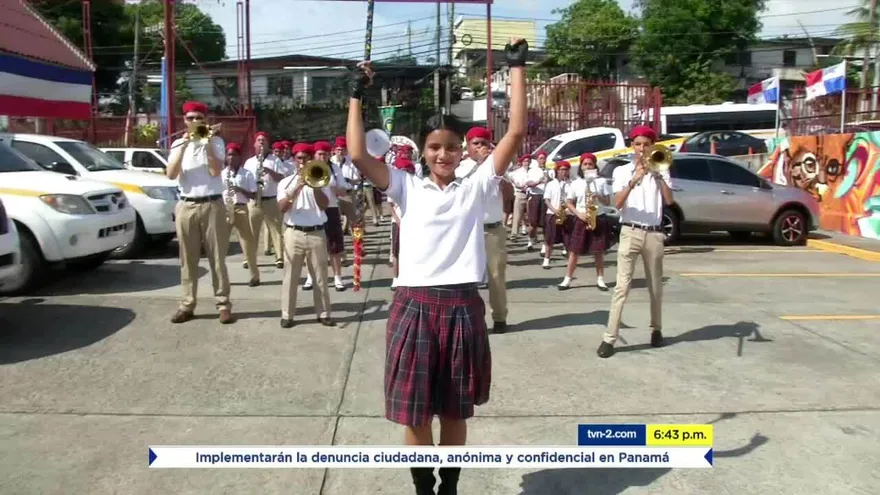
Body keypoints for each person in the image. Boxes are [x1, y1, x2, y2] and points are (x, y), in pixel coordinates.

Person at [346, 38, 528, 495]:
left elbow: (515, 133)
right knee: (414, 413)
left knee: (454, 411)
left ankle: (449, 486)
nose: (443, 155)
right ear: (423, 151)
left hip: (463, 307)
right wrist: (355, 95)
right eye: (434, 147)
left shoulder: (476, 186)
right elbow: (358, 155)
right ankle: (423, 487)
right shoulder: (404, 186)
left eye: (451, 147)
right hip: (413, 306)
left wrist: (517, 68)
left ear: (462, 150)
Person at [598, 126, 675, 358]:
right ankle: (609, 338)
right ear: (632, 146)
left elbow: (669, 200)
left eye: (646, 144)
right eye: (638, 144)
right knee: (622, 287)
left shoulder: (662, 167)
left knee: (655, 286)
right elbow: (618, 203)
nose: (642, 149)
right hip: (630, 231)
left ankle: (656, 329)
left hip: (654, 233)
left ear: (652, 146)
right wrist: (635, 178)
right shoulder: (622, 171)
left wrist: (657, 174)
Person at [165, 100, 233, 324]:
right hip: (187, 205)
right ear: (184, 121)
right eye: (190, 118)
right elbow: (171, 174)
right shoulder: (177, 143)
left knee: (217, 257)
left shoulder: (216, 141)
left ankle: (223, 303)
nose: (194, 121)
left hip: (212, 204)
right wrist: (184, 145)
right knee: (188, 258)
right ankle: (187, 304)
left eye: (199, 118)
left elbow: (215, 171)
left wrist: (207, 143)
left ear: (206, 120)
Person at [455, 126, 509, 334]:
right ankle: (471, 319)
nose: (480, 147)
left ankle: (500, 317)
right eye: (475, 143)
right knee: (467, 278)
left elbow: (510, 191)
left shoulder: (497, 163)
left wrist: (494, 168)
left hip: (493, 230)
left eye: (484, 143)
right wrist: (478, 164)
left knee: (496, 276)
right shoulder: (461, 167)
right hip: (468, 230)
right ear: (468, 146)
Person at [276, 147, 336, 329]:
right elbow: (282, 208)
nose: (302, 162)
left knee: (320, 276)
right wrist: (297, 187)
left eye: (306, 158)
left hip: (316, 232)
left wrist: (314, 186)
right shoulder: (285, 182)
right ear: (294, 160)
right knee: (290, 276)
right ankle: (287, 315)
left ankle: (324, 313)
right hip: (293, 232)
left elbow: (324, 205)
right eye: (299, 158)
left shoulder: (321, 180)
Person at [560, 153, 612, 291]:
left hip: (598, 217)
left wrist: (598, 195)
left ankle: (600, 279)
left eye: (590, 164)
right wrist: (578, 214)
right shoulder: (576, 183)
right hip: (582, 218)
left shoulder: (601, 181)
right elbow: (569, 202)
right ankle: (567, 279)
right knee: (574, 250)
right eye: (585, 164)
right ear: (581, 167)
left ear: (595, 166)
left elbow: (607, 202)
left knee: (598, 251)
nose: (588, 166)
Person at [245, 132, 287, 269]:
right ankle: (250, 258)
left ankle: (279, 257)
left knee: (276, 229)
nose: (261, 143)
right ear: (254, 144)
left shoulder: (275, 160)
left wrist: (269, 171)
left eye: (264, 140)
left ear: (268, 144)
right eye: (259, 140)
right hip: (254, 200)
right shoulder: (249, 162)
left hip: (271, 199)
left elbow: (282, 178)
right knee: (252, 231)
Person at [223, 142, 260, 287]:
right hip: (226, 209)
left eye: (234, 155)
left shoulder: (246, 174)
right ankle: (222, 278)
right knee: (221, 244)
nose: (231, 158)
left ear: (239, 157)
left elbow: (253, 194)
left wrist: (239, 189)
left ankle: (254, 276)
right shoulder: (221, 173)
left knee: (247, 243)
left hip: (241, 208)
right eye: (229, 155)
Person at [314, 140, 349, 291]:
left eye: (326, 155)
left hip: (331, 209)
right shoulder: (310, 167)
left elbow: (344, 191)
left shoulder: (334, 169)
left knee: (334, 245)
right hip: (313, 211)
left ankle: (337, 277)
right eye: (320, 154)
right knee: (314, 246)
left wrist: (334, 187)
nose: (323, 157)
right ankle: (311, 276)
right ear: (315, 155)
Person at [388, 154, 416, 290]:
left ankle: (409, 276)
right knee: (396, 251)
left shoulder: (417, 186)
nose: (406, 173)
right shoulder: (394, 186)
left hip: (412, 222)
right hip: (398, 222)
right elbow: (390, 205)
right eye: (403, 171)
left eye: (408, 171)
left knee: (411, 250)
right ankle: (395, 278)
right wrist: (398, 220)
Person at [541, 161, 572, 269]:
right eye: (561, 170)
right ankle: (546, 259)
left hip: (567, 214)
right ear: (557, 171)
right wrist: (554, 210)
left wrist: (569, 210)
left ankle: (569, 260)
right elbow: (547, 200)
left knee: (568, 237)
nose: (564, 172)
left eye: (566, 170)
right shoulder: (551, 184)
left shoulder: (570, 184)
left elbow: (572, 199)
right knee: (550, 237)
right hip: (552, 214)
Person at [508, 155, 531, 240]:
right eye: (525, 161)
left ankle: (532, 235)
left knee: (531, 216)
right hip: (520, 193)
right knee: (517, 215)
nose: (527, 163)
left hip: (530, 194)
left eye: (528, 161)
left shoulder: (532, 171)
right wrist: (515, 184)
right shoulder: (518, 172)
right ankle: (514, 234)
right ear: (522, 162)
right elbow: (509, 177)